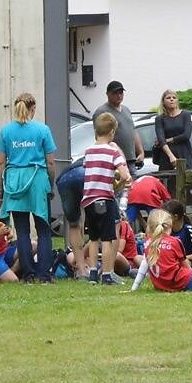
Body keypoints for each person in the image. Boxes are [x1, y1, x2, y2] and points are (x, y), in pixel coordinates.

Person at [0, 93, 58, 283]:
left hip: (15, 181)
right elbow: (51, 163)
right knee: (43, 231)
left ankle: (28, 275)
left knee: (22, 231)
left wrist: (1, 188)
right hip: (37, 180)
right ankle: (44, 275)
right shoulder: (43, 129)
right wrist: (50, 184)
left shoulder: (6, 131)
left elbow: (0, 163)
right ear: (33, 109)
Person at [82, 112, 132, 284]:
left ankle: (93, 273)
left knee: (94, 237)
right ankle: (107, 274)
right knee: (108, 238)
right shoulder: (113, 152)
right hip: (105, 198)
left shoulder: (88, 151)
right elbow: (125, 175)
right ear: (112, 132)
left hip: (88, 199)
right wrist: (116, 187)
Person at [130, 208, 192, 293]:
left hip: (163, 285)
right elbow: (187, 267)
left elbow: (144, 264)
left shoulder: (148, 243)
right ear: (170, 226)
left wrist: (134, 287)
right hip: (183, 281)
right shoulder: (174, 241)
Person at [93, 81, 144, 170]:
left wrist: (141, 152)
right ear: (107, 94)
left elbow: (133, 131)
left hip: (131, 159)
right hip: (113, 160)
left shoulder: (126, 110)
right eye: (115, 93)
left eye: (121, 92)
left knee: (131, 182)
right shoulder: (102, 111)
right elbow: (99, 136)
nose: (119, 95)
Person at [55, 161, 88, 278]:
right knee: (97, 223)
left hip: (64, 179)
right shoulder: (114, 150)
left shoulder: (90, 152)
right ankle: (95, 270)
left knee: (74, 224)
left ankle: (81, 271)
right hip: (85, 175)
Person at [153, 90, 192, 173]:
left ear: (177, 100)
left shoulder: (185, 115)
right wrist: (171, 156)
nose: (171, 99)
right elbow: (161, 138)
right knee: (167, 183)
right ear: (163, 101)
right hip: (166, 156)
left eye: (174, 97)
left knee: (185, 182)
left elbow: (186, 135)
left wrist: (167, 140)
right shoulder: (160, 118)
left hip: (184, 153)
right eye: (168, 98)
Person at [162, 199, 192, 267]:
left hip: (189, 266)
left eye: (166, 216)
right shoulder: (166, 230)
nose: (163, 218)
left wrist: (181, 259)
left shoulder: (189, 230)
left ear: (175, 217)